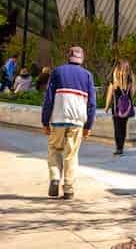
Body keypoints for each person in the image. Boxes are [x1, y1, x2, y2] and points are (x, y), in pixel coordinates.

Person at [40, 47, 95, 199]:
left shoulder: (57, 72)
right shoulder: (87, 76)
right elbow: (92, 104)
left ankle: (55, 179)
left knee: (54, 149)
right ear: (81, 59)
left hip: (58, 119)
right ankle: (69, 188)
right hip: (77, 121)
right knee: (71, 154)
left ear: (68, 57)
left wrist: (45, 122)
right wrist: (88, 125)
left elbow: (48, 99)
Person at [103, 60, 136, 156]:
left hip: (116, 107)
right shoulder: (130, 79)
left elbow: (109, 94)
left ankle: (119, 148)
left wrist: (106, 107)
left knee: (117, 127)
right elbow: (133, 92)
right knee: (123, 127)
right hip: (126, 107)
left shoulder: (114, 80)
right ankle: (121, 147)